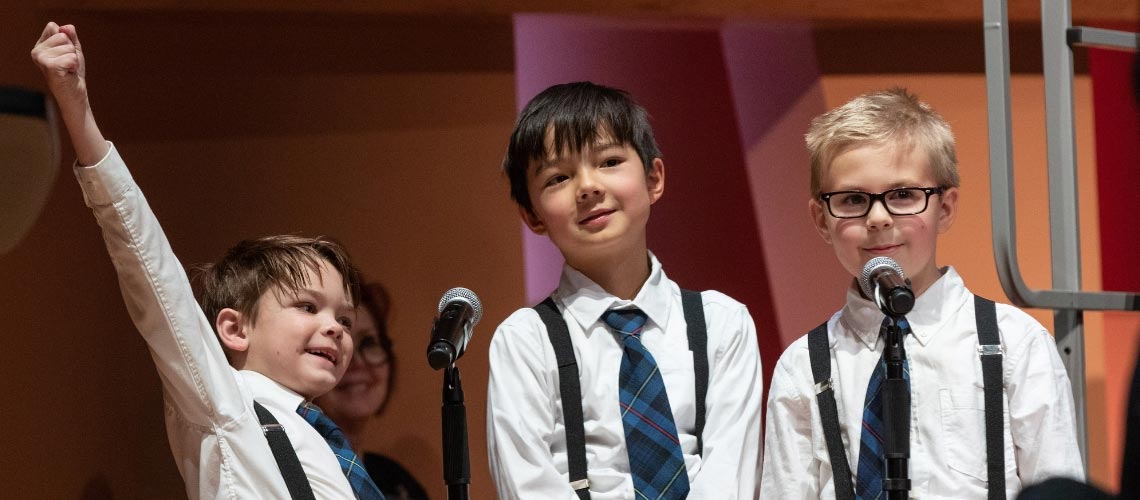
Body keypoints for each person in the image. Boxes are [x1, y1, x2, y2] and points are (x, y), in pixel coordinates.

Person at [32, 22, 385, 499]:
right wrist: (79, 110)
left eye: (343, 317)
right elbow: (150, 269)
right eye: (308, 307)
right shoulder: (226, 402)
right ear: (235, 329)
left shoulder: (327, 444)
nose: (336, 328)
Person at [759, 87, 1085, 498]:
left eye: (902, 195)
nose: (878, 218)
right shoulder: (804, 365)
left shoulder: (1013, 344)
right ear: (821, 219)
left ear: (944, 207)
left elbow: (1057, 486)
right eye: (853, 199)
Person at [486, 81, 764, 499]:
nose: (588, 187)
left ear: (654, 178)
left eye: (610, 161)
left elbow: (731, 475)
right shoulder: (525, 340)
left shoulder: (721, 323)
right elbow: (527, 484)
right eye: (558, 177)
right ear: (532, 215)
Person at [316, 282, 430, 499]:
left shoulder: (397, 482)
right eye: (338, 346)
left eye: (369, 343)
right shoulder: (293, 469)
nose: (357, 363)